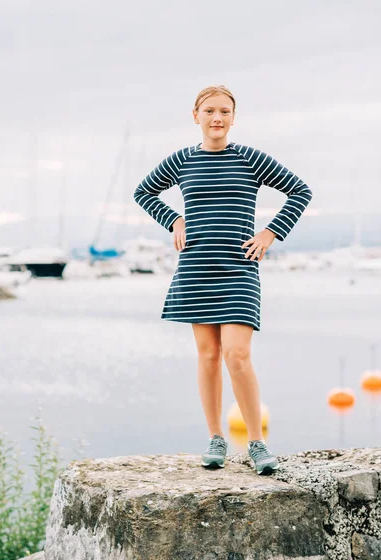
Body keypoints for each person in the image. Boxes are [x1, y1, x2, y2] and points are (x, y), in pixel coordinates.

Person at [133, 85, 313, 476]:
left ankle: (256, 442)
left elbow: (300, 190)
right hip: (197, 267)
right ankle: (216, 437)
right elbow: (144, 191)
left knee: (237, 354)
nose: (218, 118)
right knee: (209, 355)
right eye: (210, 111)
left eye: (225, 112)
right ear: (195, 115)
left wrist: (270, 233)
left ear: (233, 117)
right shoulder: (182, 160)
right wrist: (174, 219)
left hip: (239, 267)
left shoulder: (249, 159)